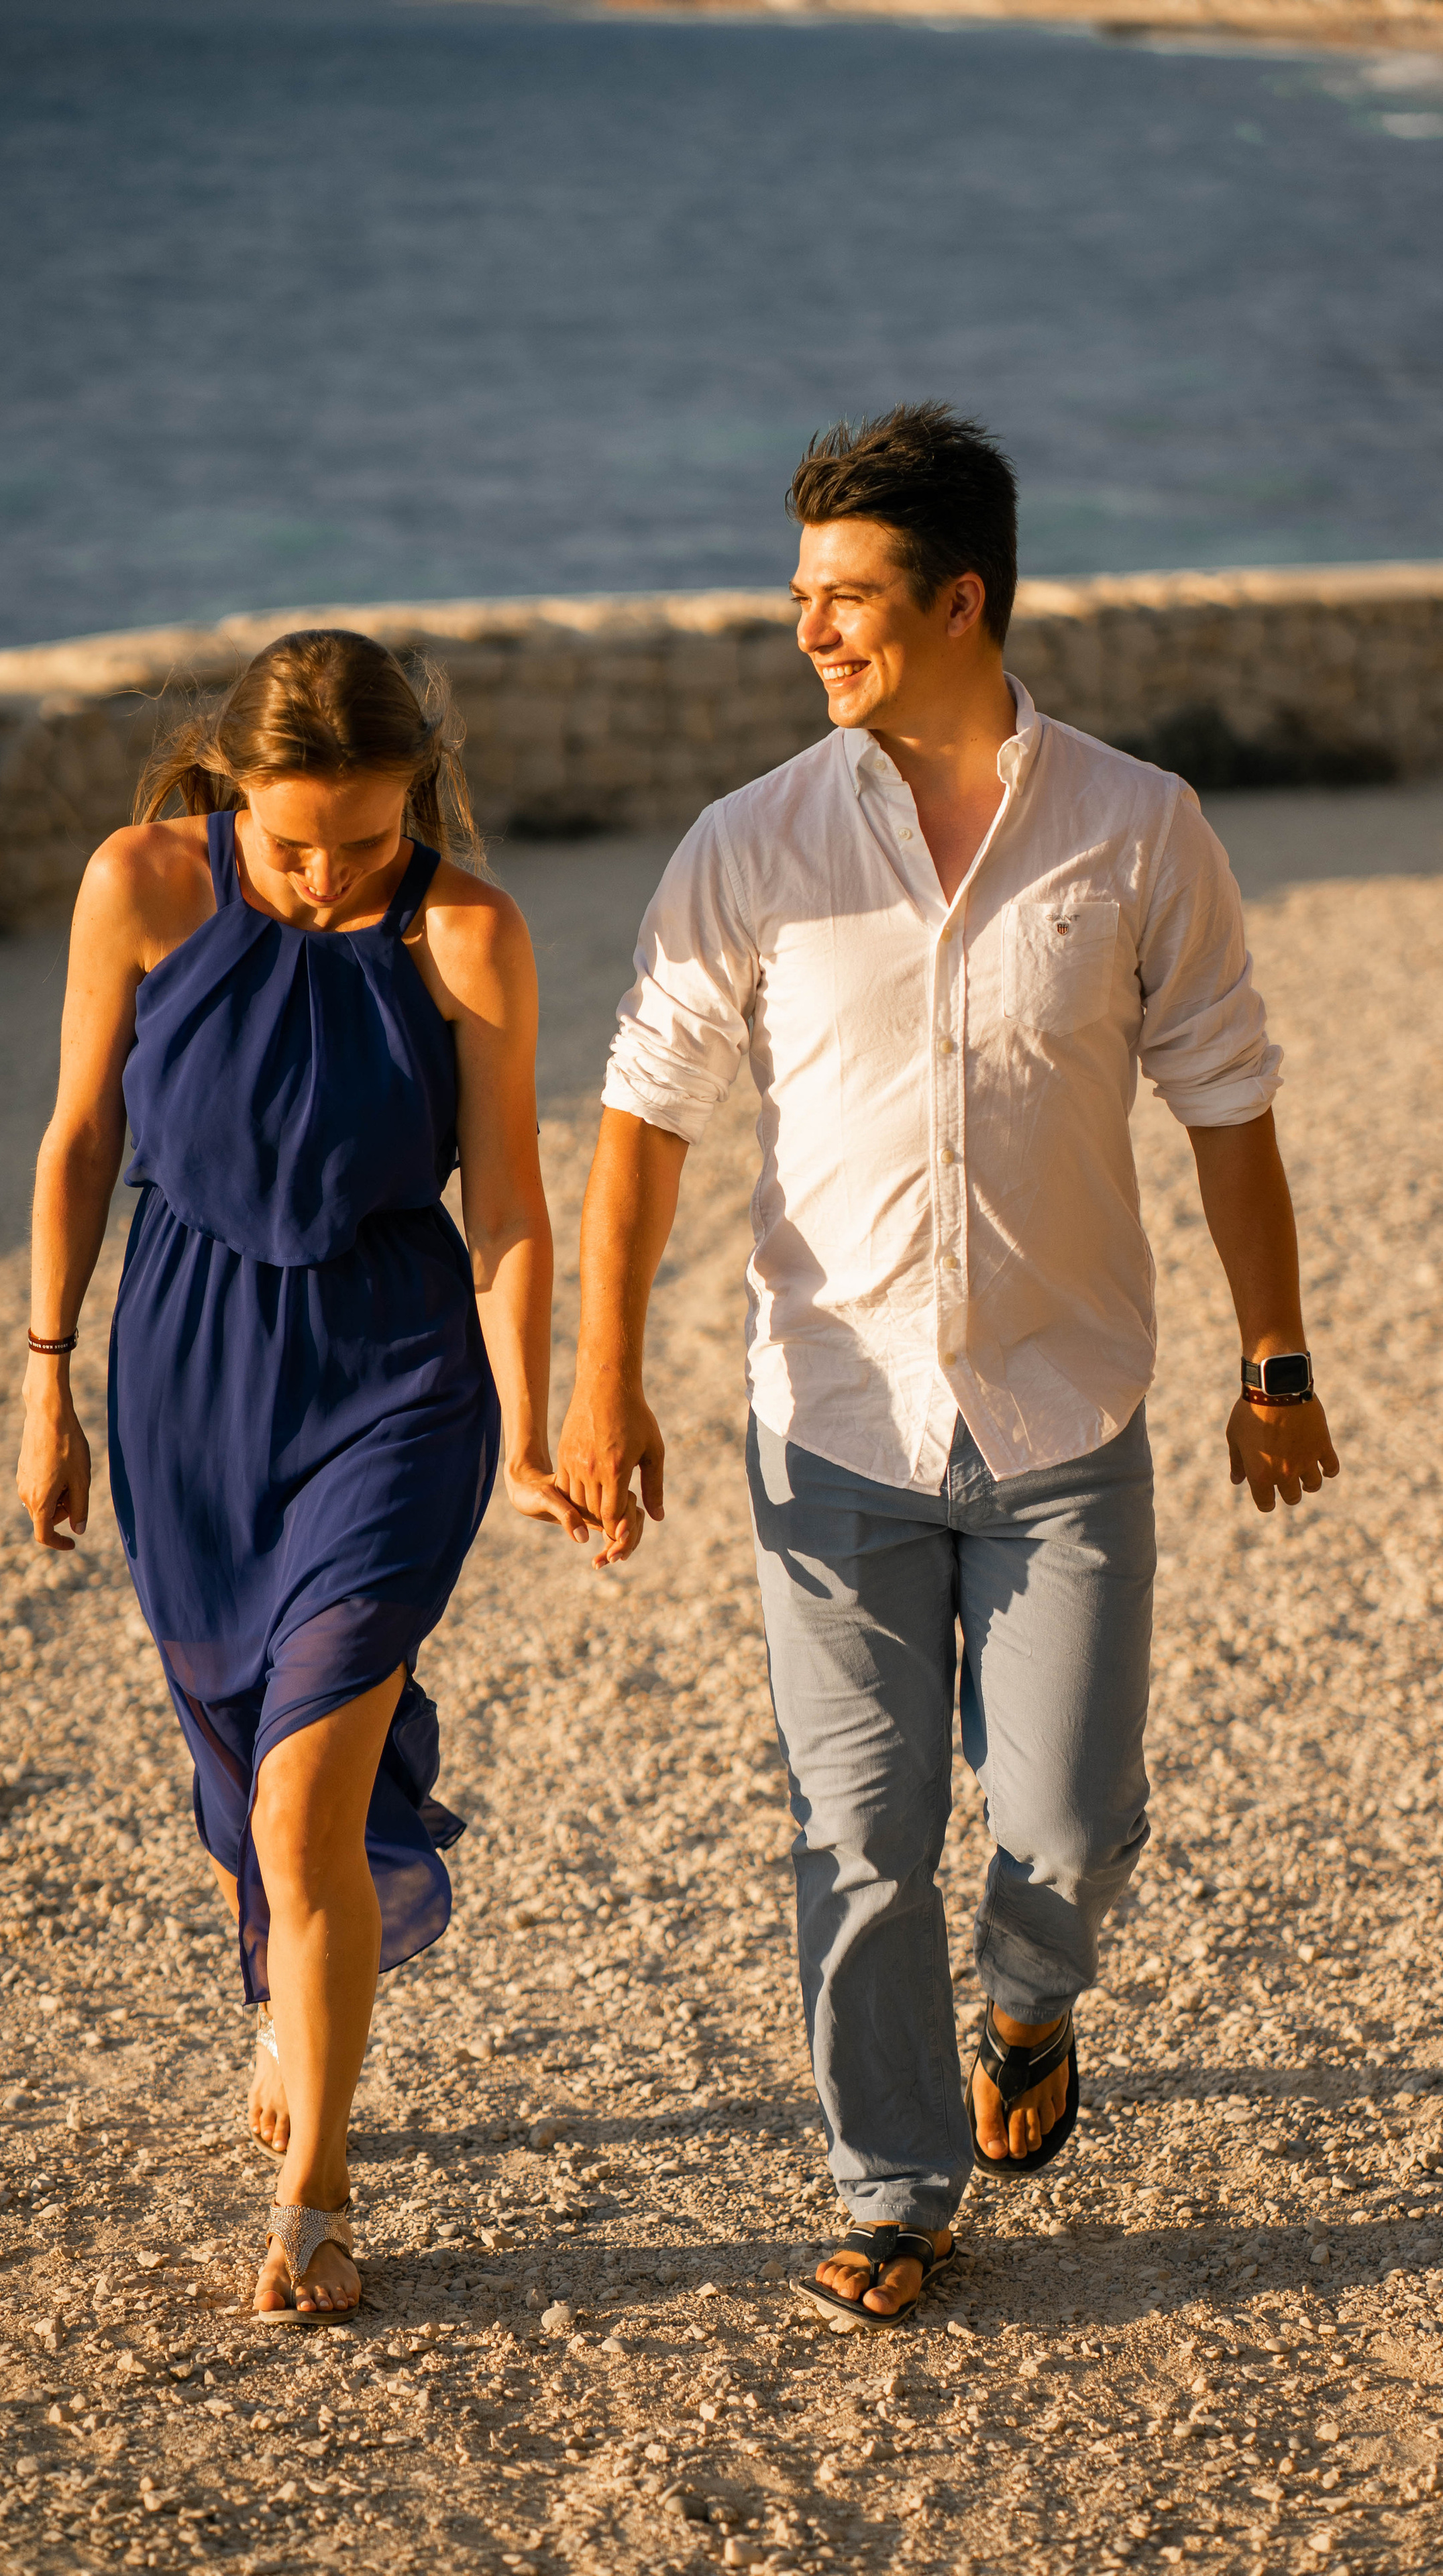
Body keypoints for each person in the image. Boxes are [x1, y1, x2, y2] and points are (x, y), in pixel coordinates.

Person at [557, 406, 1339, 2329]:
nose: (808, 630)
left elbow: (1230, 1112)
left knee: (1072, 1818)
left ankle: (1032, 2001)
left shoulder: (1140, 825)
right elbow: (644, 1117)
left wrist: (1278, 1364)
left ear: (961, 597)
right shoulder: (751, 845)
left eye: (844, 596)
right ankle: (893, 2186)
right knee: (861, 1834)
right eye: (800, 592)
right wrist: (602, 1383)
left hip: (1070, 1416)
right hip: (829, 1429)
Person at [17, 631, 608, 2320]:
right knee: (235, 1778)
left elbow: (504, 1205)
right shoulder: (137, 886)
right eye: (293, 843)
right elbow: (77, 1142)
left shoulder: (462, 928)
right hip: (188, 1369)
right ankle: (285, 1997)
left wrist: (533, 1428)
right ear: (229, 786)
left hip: (397, 1372)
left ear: (412, 793)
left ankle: (316, 2195)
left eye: (365, 836)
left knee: (304, 1797)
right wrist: (45, 1383)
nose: (332, 874)